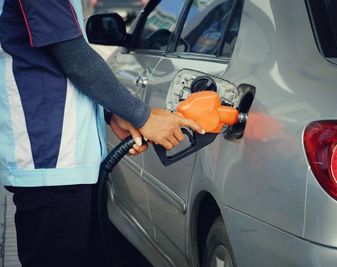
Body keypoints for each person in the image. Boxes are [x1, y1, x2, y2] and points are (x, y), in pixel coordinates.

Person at [0, 1, 202, 266]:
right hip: (51, 163)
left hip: (67, 165)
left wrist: (112, 112)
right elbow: (72, 55)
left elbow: (59, 66)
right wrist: (141, 115)